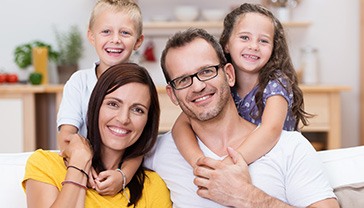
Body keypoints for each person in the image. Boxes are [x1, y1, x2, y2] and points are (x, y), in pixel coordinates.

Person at [143, 28, 339, 207]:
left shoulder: (289, 148)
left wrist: (247, 196)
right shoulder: (158, 151)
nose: (198, 86)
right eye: (183, 80)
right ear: (172, 94)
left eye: (206, 71)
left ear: (229, 74)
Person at [172, 3, 312, 169]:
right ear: (226, 44)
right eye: (245, 37)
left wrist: (227, 165)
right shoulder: (222, 83)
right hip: (246, 163)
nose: (254, 46)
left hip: (281, 164)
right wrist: (199, 162)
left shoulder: (276, 83)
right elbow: (181, 125)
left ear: (273, 49)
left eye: (264, 41)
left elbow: (271, 130)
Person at [23, 63, 172, 207]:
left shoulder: (153, 187)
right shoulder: (44, 165)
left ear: (147, 121)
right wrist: (79, 166)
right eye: (113, 104)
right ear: (95, 106)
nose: (123, 118)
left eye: (138, 110)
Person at [57, 0, 144, 195]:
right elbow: (66, 135)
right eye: (106, 31)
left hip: (117, 174)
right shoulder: (79, 81)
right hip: (80, 169)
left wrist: (123, 176)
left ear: (138, 41)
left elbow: (143, 144)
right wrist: (82, 166)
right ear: (91, 36)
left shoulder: (142, 86)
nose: (115, 40)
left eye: (125, 33)